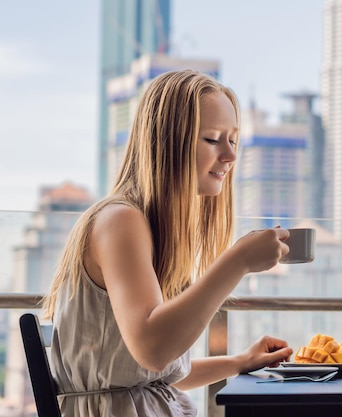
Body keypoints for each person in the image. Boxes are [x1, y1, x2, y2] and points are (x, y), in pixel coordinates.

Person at [40, 69, 293, 416]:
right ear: (168, 142)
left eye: (233, 140)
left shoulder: (146, 226)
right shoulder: (120, 221)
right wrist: (238, 261)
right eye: (212, 139)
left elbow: (155, 374)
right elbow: (153, 350)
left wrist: (239, 362)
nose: (230, 156)